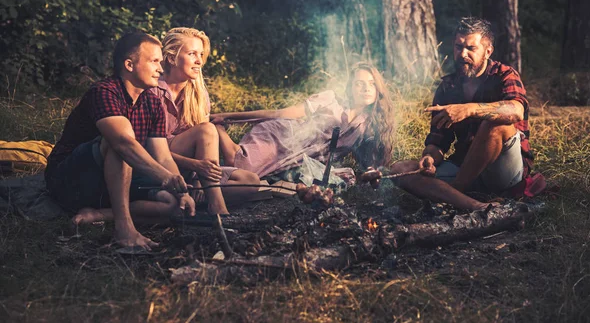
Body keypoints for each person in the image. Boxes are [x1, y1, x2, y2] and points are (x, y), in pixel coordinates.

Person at [45, 32, 222, 250]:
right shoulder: (104, 91)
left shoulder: (152, 102)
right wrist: (165, 177)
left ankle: (99, 214)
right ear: (129, 64)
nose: (160, 68)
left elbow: (163, 155)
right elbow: (122, 144)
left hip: (112, 184)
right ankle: (124, 229)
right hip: (72, 181)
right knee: (119, 142)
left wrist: (181, 191)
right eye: (154, 61)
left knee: (175, 204)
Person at [365, 17, 533, 211]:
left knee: (496, 122)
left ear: (488, 51)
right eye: (458, 46)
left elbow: (516, 111)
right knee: (401, 169)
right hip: (464, 165)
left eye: (471, 48)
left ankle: (453, 193)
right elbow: (438, 141)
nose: (463, 54)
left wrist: (469, 109)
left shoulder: (504, 75)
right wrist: (429, 158)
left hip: (503, 171)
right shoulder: (448, 87)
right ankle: (475, 205)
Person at [212, 63, 395, 180]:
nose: (366, 89)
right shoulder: (330, 99)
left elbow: (369, 163)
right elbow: (281, 113)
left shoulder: (366, 126)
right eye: (359, 83)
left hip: (298, 163)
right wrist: (229, 117)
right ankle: (217, 129)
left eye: (372, 83)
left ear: (378, 88)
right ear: (351, 88)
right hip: (280, 139)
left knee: (243, 180)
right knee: (239, 164)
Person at [150, 27, 261, 204]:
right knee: (207, 130)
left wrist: (197, 177)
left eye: (201, 55)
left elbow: (205, 148)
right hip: (159, 165)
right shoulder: (153, 90)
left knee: (251, 181)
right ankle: (216, 208)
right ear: (171, 58)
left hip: (192, 171)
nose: (199, 61)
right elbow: (149, 150)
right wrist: (195, 166)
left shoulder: (198, 93)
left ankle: (196, 196)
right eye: (192, 54)